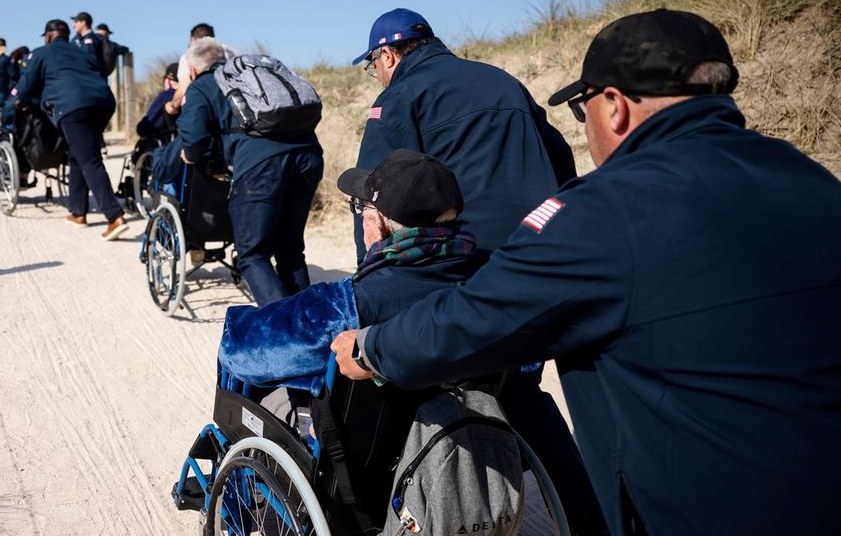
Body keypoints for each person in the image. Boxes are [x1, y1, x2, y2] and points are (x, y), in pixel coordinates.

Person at [332, 9, 841, 534]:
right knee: (521, 390)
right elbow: (555, 154)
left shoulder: (604, 216)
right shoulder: (813, 182)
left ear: (615, 107)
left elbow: (384, 204)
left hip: (716, 510)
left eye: (583, 109)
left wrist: (374, 342)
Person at [218, 149, 604, 532]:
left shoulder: (347, 303)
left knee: (264, 388)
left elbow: (241, 351)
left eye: (363, 212)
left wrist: (239, 320)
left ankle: (231, 506)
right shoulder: (496, 281)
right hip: (465, 440)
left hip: (362, 472)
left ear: (381, 226)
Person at [352, 8, 574, 258]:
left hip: (468, 256)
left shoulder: (398, 98)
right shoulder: (503, 80)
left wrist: (368, 266)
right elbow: (560, 155)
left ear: (387, 55)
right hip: (543, 242)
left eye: (374, 65)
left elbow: (373, 193)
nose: (378, 74)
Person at [177, 37, 323, 306]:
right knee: (290, 248)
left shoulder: (203, 85)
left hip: (261, 166)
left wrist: (190, 154)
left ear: (194, 70)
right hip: (309, 156)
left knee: (253, 254)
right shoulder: (251, 77)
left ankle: (285, 332)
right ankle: (308, 324)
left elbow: (195, 141)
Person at [13, 18, 129, 240]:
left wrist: (20, 102)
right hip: (103, 103)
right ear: (67, 35)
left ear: (48, 37)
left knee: (90, 160)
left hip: (73, 107)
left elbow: (26, 86)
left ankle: (115, 217)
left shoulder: (42, 53)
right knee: (77, 154)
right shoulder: (81, 52)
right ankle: (78, 212)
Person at [136, 61, 179, 142]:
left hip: (167, 143)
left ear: (168, 81)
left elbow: (143, 128)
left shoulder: (166, 96)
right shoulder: (193, 93)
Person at [70, 11, 109, 76]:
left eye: (76, 22)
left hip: (90, 78)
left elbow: (88, 60)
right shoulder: (78, 39)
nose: (74, 25)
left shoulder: (90, 39)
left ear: (83, 23)